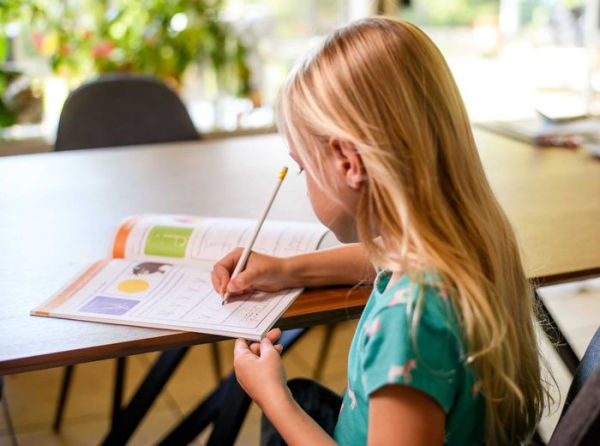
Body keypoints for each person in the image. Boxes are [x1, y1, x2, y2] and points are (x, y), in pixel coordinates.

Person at [211, 17, 548, 445]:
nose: (304, 181)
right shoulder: (470, 239)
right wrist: (286, 269)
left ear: (348, 162)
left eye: (303, 168)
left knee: (293, 400)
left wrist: (272, 398)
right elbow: (385, 256)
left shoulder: (407, 327)